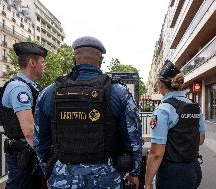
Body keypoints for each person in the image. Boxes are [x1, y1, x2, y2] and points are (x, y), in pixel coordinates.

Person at [34, 36, 143, 189]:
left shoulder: (48, 93)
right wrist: (134, 172)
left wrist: (49, 171)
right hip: (107, 178)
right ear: (100, 60)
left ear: (74, 59)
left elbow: (40, 141)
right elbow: (134, 139)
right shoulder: (119, 93)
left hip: (62, 179)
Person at [144, 60, 206, 189]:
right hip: (194, 169)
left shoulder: (163, 109)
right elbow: (200, 140)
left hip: (173, 174)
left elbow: (156, 153)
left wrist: (148, 182)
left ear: (161, 84)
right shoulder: (195, 106)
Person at [0, 42, 47, 189]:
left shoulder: (31, 86)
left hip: (29, 153)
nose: (44, 65)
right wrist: (45, 158)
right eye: (42, 62)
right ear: (32, 63)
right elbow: (29, 131)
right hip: (24, 155)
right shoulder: (19, 88)